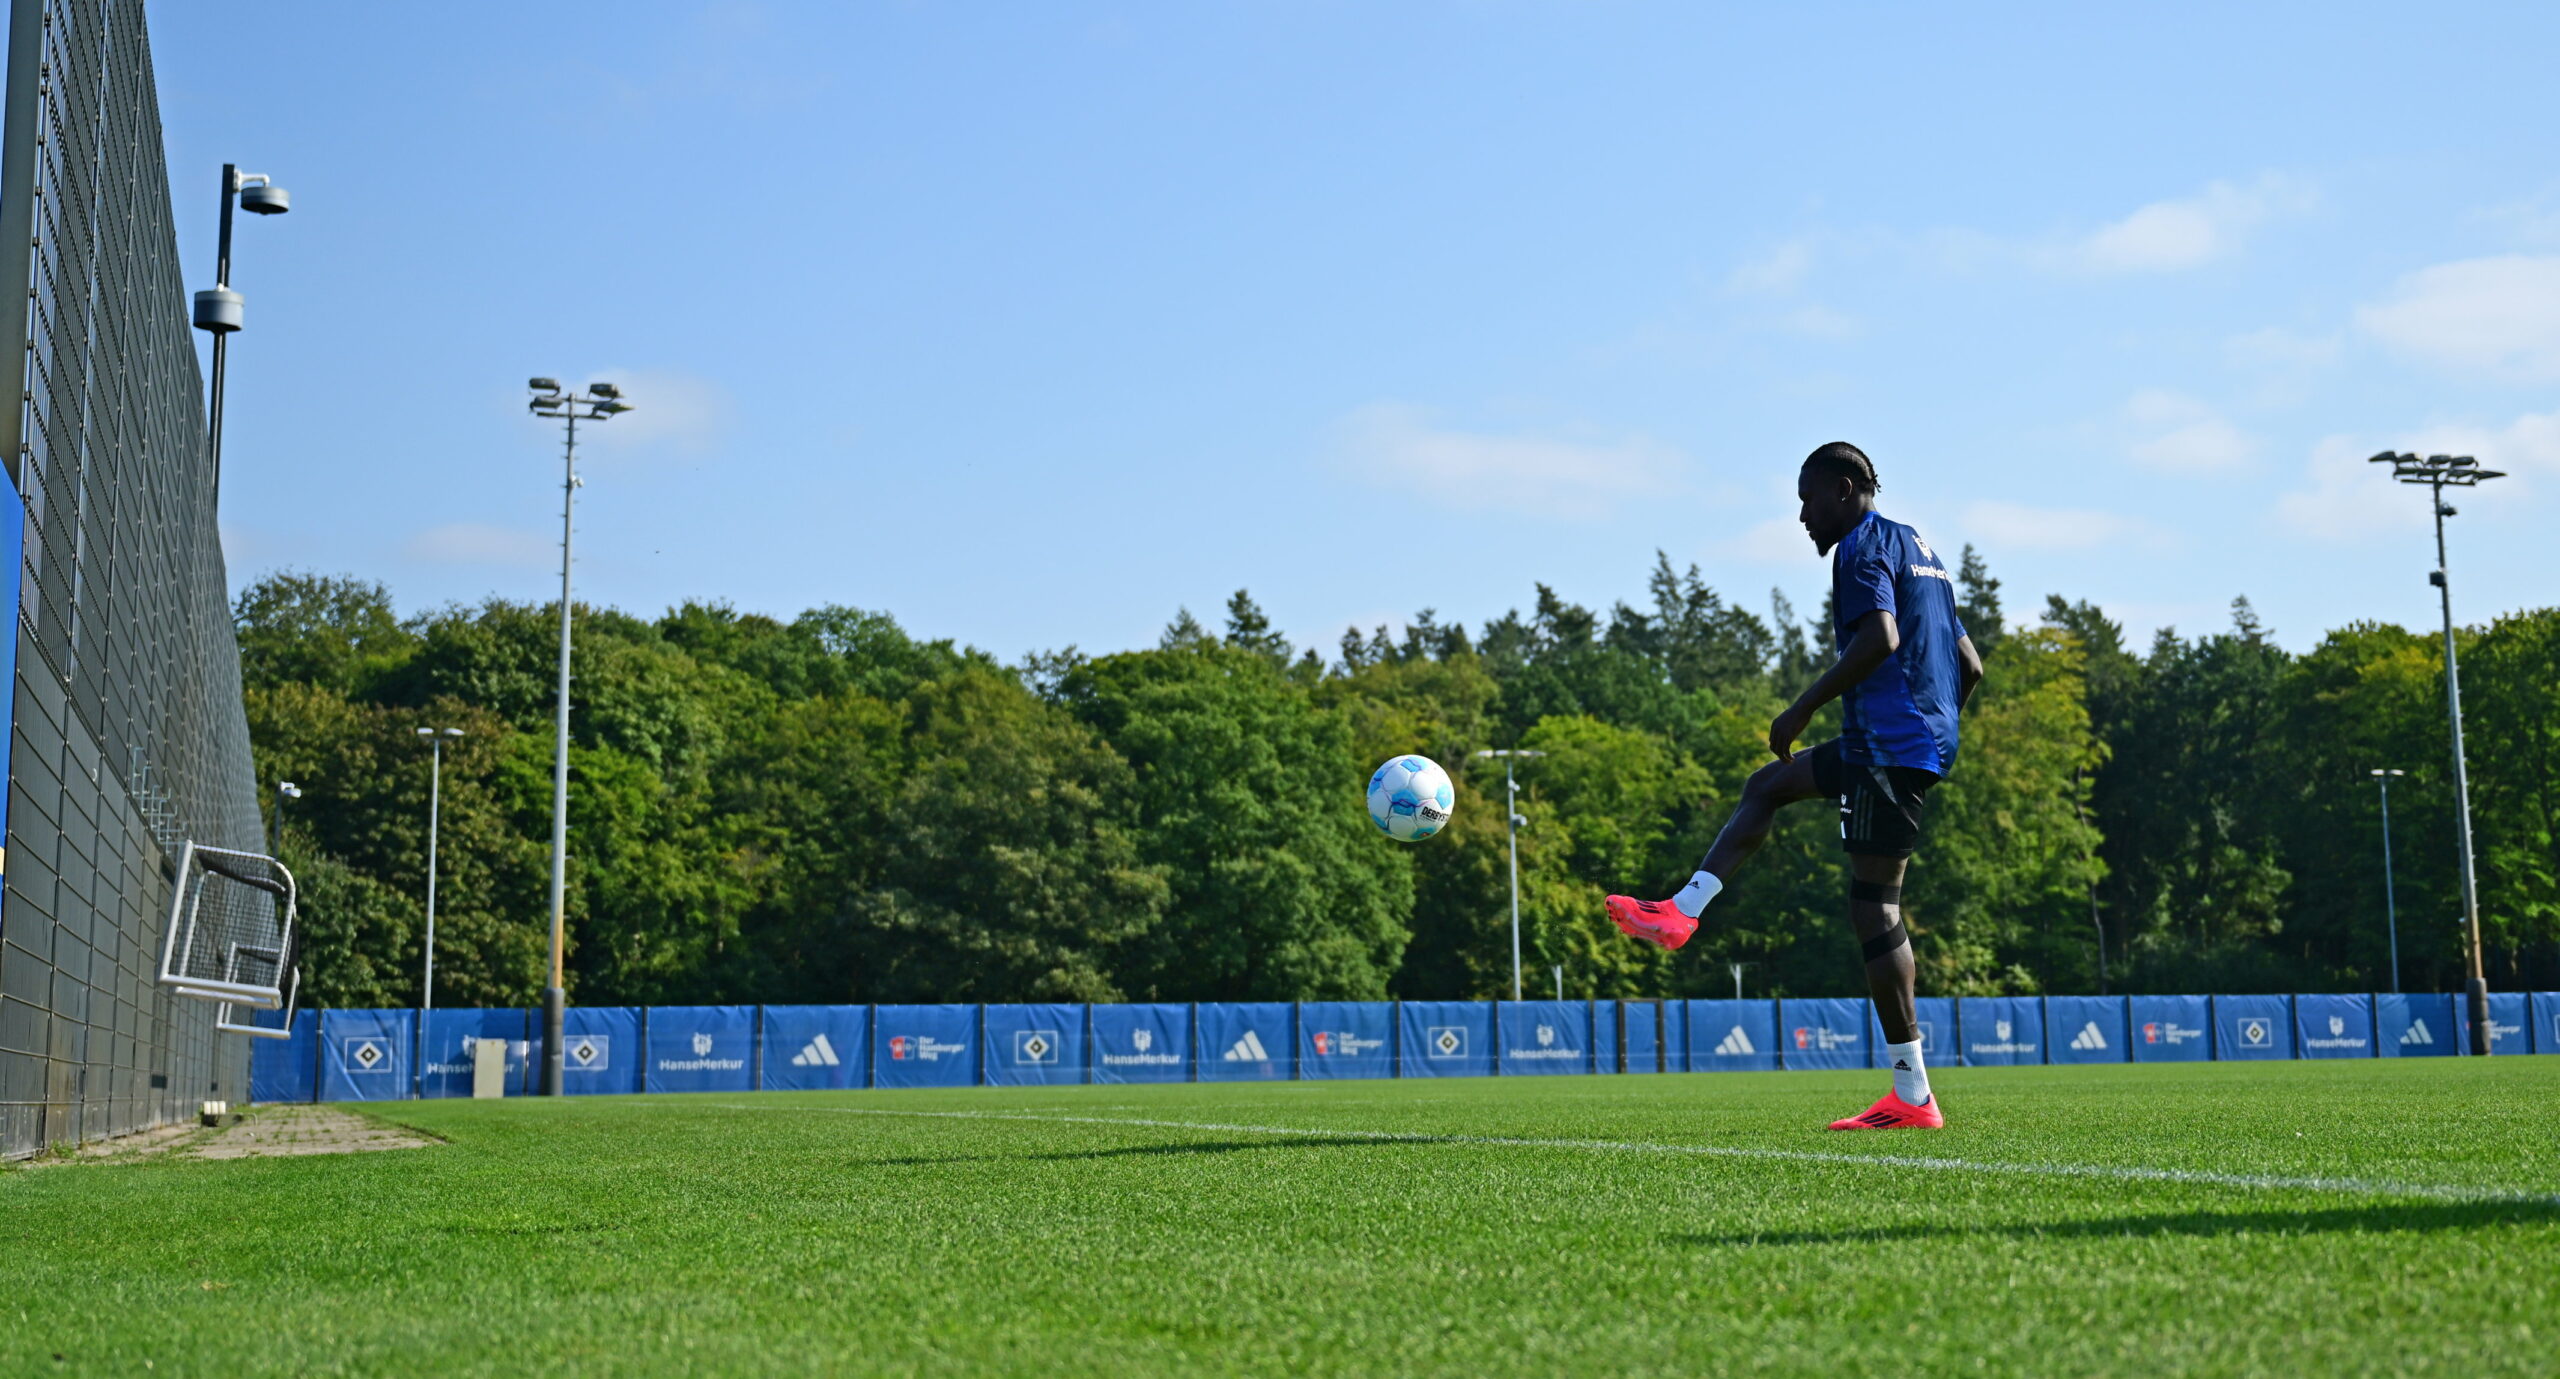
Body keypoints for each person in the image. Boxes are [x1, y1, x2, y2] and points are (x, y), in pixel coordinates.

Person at [1606, 441, 1982, 1130]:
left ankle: (1914, 1095)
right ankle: (1683, 908)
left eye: (1809, 500)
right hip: (1909, 740)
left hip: (1888, 745)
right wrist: (1934, 725)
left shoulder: (1862, 547)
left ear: (1843, 489)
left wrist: (1802, 707)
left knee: (1876, 908)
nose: (1804, 517)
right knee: (1768, 786)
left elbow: (1881, 638)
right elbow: (1970, 663)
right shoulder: (1919, 546)